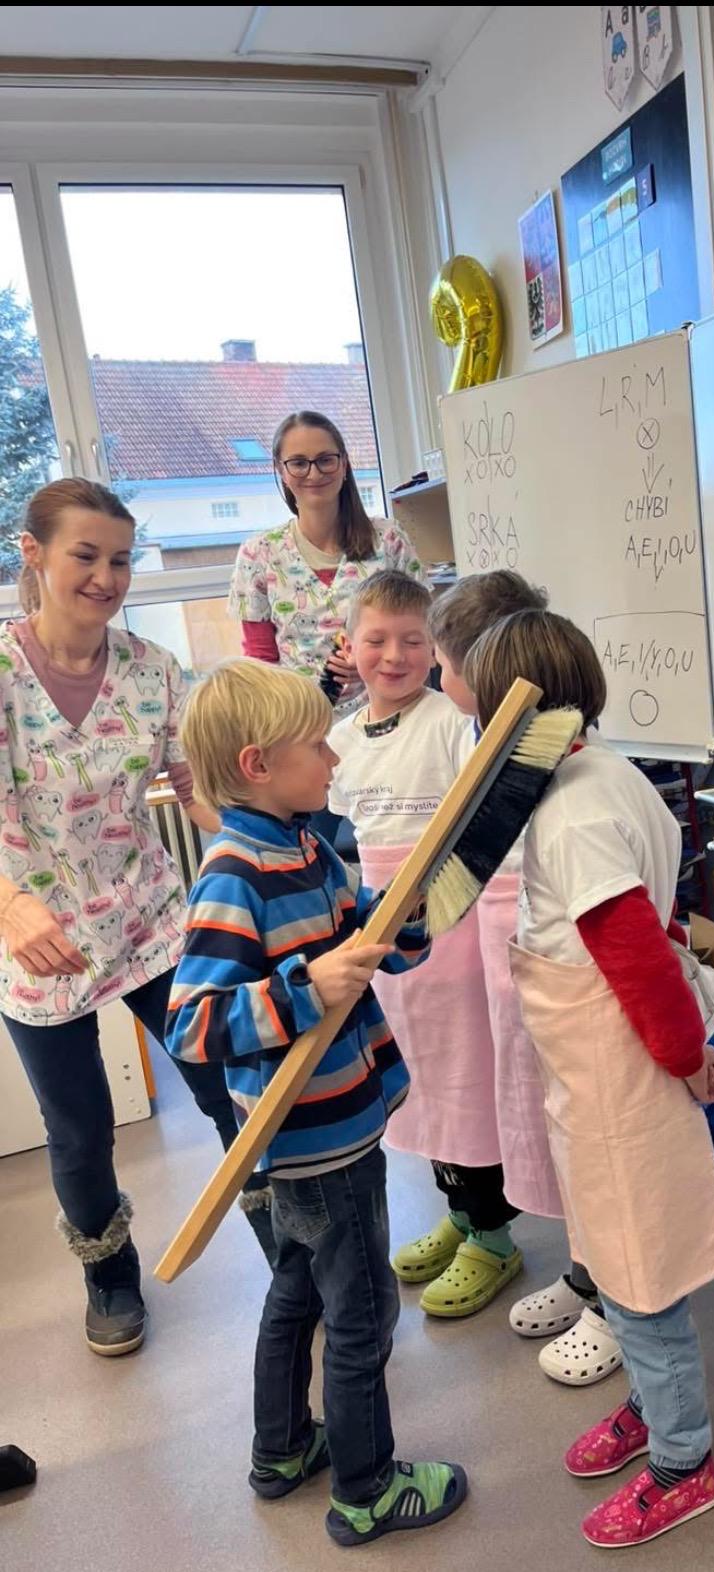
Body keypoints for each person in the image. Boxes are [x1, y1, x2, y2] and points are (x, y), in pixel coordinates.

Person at [165, 658, 467, 1549]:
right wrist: (304, 989)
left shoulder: (306, 847)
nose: (334, 758)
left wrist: (404, 914)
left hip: (336, 1123)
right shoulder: (235, 875)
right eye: (316, 746)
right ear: (257, 765)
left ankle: (283, 1450)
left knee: (296, 1292)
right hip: (315, 1141)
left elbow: (366, 934)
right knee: (362, 1313)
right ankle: (366, 1490)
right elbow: (192, 1024)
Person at [466, 609, 714, 1549]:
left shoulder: (573, 812)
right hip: (597, 1070)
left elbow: (639, 957)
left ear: (509, 715)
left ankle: (683, 1459)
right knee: (617, 1254)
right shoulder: (601, 773)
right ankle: (653, 1409)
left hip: (622, 1069)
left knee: (640, 1274)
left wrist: (686, 1056)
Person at [0, 479, 275, 1362]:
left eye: (120, 559)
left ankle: (288, 1241)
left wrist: (265, 854)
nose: (106, 577)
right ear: (34, 554)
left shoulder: (152, 670)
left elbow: (196, 788)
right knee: (80, 1127)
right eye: (85, 555)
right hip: (38, 941)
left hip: (151, 919)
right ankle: (109, 1273)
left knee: (225, 1079)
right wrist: (10, 904)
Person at [429, 570, 621, 1384]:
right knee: (555, 1131)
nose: (439, 679)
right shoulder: (497, 749)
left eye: (444, 666)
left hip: (571, 985)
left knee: (594, 1145)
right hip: (530, 973)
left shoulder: (575, 783)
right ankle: (586, 1272)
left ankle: (620, 1300)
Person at [327, 570, 522, 1318]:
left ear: (436, 649)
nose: (394, 656)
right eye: (376, 640)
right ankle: (461, 1212)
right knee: (420, 1080)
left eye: (413, 641)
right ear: (349, 646)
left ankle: (493, 1234)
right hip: (386, 935)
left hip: (451, 925)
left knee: (466, 1076)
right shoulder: (342, 739)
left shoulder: (450, 722)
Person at [226, 409, 424, 842]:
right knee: (316, 854)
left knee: (395, 846)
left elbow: (423, 632)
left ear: (344, 463)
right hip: (302, 740)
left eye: (325, 460)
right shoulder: (259, 554)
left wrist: (370, 665)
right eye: (299, 463)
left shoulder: (388, 540)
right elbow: (260, 662)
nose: (313, 473)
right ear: (280, 470)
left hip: (392, 727)